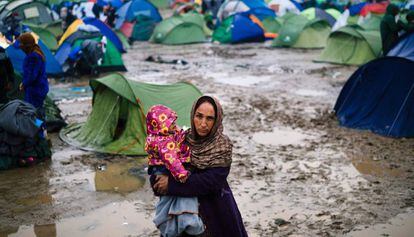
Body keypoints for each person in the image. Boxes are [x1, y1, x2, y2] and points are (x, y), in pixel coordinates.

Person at [152, 96, 248, 237]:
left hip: (214, 214)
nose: (203, 124)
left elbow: (211, 182)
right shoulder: (180, 140)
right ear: (192, 115)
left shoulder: (221, 146)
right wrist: (159, 180)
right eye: (199, 116)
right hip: (179, 218)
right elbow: (157, 178)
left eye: (210, 118)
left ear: (217, 120)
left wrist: (171, 185)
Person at [146, 105, 204, 237]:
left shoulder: (160, 135)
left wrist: (183, 133)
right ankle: (174, 227)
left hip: (162, 169)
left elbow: (211, 182)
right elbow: (172, 161)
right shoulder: (163, 141)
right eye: (171, 123)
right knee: (166, 200)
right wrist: (181, 175)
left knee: (167, 201)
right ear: (162, 126)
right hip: (164, 169)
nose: (174, 126)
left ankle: (171, 227)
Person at [16, 33, 49, 118]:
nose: (20, 46)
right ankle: (41, 128)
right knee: (38, 111)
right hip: (41, 88)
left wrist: (23, 84)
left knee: (33, 113)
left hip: (35, 90)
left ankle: (38, 129)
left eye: (21, 43)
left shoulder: (32, 57)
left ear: (26, 44)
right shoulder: (37, 54)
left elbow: (32, 76)